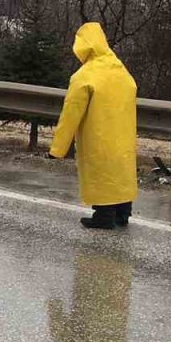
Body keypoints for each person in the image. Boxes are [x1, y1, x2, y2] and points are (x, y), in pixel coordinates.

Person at [48, 22, 139, 229]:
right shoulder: (120, 69)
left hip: (98, 135)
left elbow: (70, 114)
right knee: (121, 172)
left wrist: (57, 150)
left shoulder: (84, 76)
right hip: (123, 135)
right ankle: (123, 212)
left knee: (102, 173)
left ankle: (104, 215)